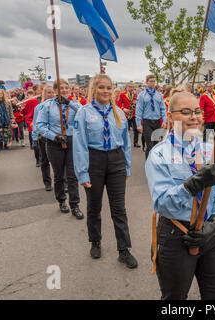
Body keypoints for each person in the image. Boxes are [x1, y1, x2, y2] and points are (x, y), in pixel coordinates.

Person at [145, 91, 215, 300]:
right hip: (176, 237)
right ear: (170, 116)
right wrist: (194, 184)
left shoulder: (213, 149)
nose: (194, 117)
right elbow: (163, 203)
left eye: (197, 111)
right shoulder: (158, 155)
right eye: (185, 112)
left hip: (213, 237)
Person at [73, 74, 137, 268]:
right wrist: (82, 173)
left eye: (108, 88)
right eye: (101, 87)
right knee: (94, 207)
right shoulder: (84, 113)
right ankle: (95, 241)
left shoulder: (118, 113)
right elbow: (79, 145)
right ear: (94, 89)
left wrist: (126, 166)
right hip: (95, 161)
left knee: (119, 209)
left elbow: (126, 143)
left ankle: (124, 250)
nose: (106, 91)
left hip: (116, 161)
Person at [35, 79, 84, 219]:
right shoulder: (47, 106)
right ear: (55, 91)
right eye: (60, 88)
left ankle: (75, 205)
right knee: (58, 175)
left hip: (71, 141)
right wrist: (54, 137)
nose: (64, 90)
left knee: (72, 175)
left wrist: (69, 103)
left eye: (66, 88)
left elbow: (83, 112)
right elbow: (40, 125)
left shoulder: (74, 104)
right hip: (54, 142)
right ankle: (62, 200)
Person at [136, 75, 167, 159]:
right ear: (146, 82)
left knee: (156, 144)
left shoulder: (159, 95)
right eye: (151, 81)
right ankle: (148, 165)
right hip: (147, 122)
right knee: (149, 145)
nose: (153, 83)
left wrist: (164, 120)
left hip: (157, 122)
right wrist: (138, 124)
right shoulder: (142, 95)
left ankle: (155, 163)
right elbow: (139, 110)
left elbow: (163, 109)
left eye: (154, 81)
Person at [32, 86, 55, 192]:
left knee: (58, 162)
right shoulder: (39, 107)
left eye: (53, 92)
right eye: (49, 92)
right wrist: (35, 138)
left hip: (55, 137)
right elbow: (36, 123)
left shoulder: (58, 106)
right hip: (43, 137)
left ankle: (62, 182)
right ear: (44, 94)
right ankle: (47, 182)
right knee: (44, 160)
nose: (51, 94)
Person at [117, 82, 141, 148]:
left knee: (136, 129)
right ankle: (124, 142)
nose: (131, 88)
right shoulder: (122, 94)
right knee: (125, 130)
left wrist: (137, 103)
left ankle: (135, 143)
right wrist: (124, 109)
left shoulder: (135, 95)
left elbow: (139, 105)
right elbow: (118, 105)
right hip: (125, 115)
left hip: (134, 114)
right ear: (126, 87)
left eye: (132, 87)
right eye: (129, 87)